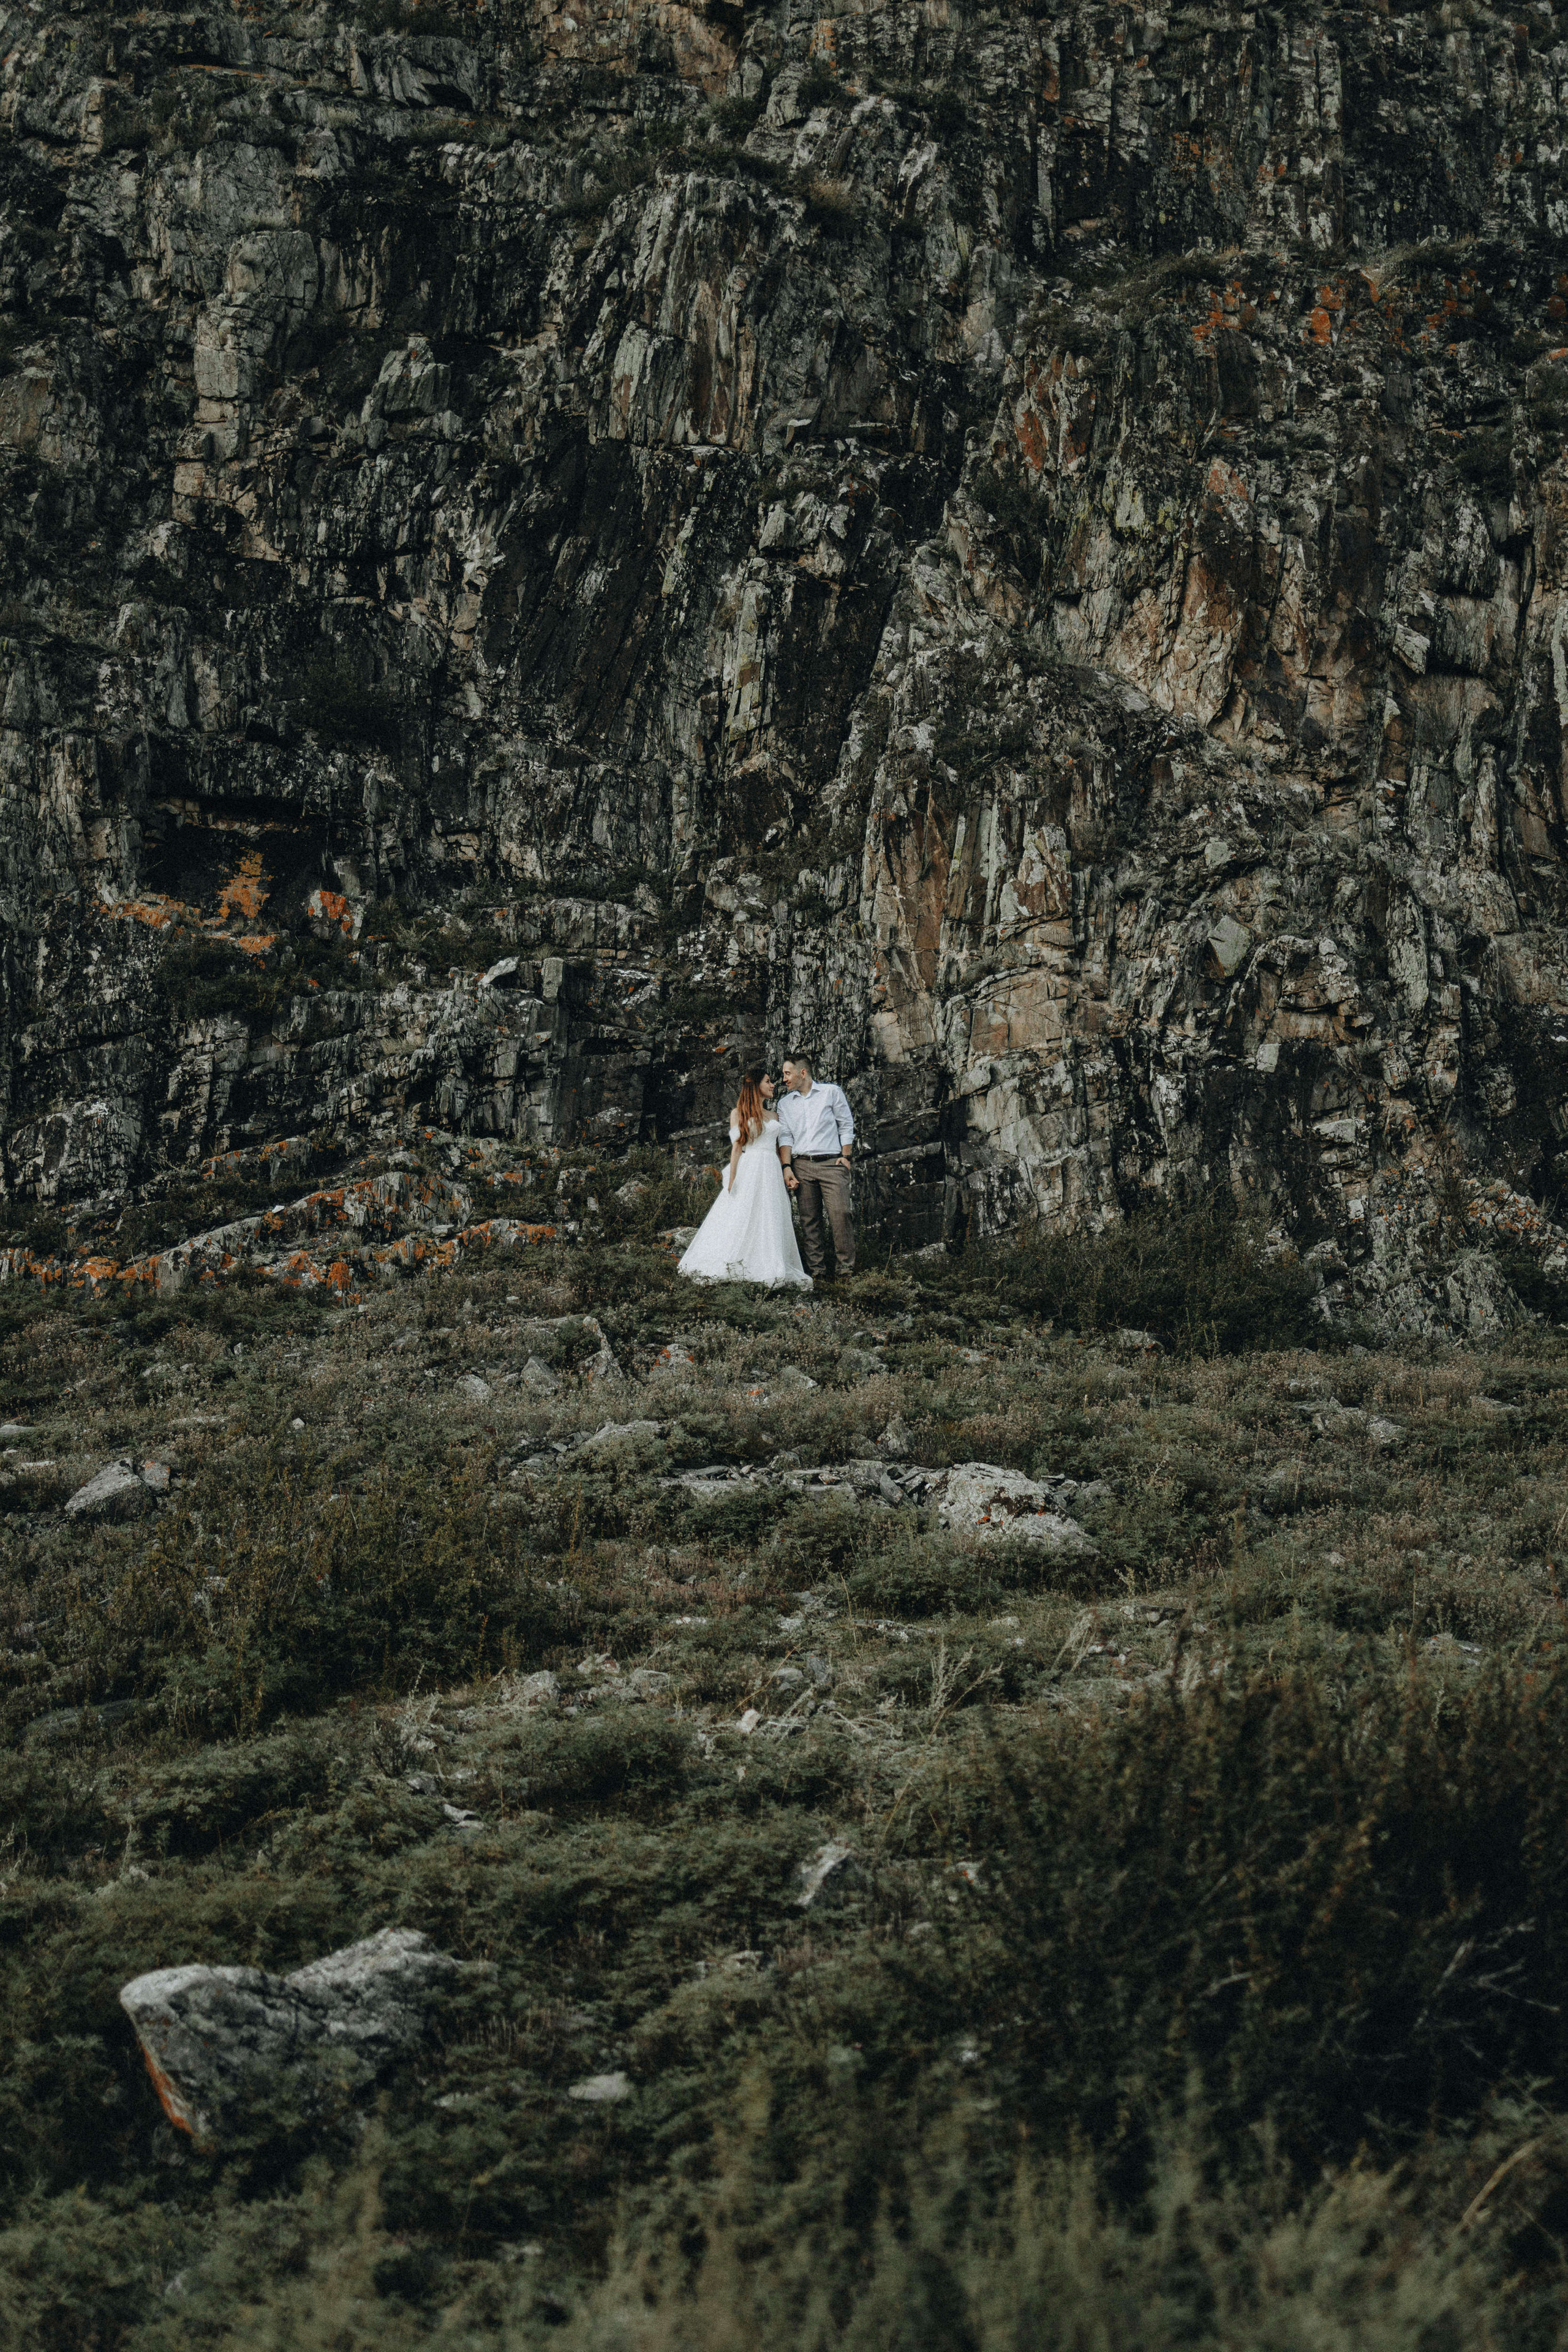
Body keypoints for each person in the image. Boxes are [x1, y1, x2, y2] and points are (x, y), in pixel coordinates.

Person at [676, 1067, 812, 1289]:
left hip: (771, 1168)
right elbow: (737, 1148)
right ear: (756, 1085)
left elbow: (779, 1148)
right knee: (743, 1213)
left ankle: (769, 1262)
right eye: (768, 1082)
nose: (773, 1085)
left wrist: (786, 1170)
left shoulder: (774, 1115)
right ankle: (737, 1261)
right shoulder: (738, 1113)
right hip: (751, 1167)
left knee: (770, 1215)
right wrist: (732, 1179)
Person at [776, 1051, 855, 1281]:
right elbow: (786, 1138)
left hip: (832, 1163)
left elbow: (846, 1124)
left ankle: (846, 1273)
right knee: (809, 1221)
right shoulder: (784, 1104)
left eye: (787, 1073)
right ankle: (818, 1274)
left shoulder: (831, 1092)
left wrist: (846, 1156)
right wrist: (787, 1167)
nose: (784, 1079)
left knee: (841, 1216)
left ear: (803, 1073)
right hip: (802, 1166)